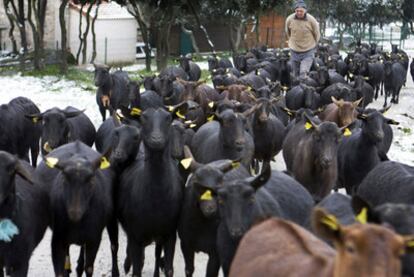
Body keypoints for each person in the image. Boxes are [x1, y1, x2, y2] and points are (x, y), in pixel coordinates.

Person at [285, 0, 321, 78]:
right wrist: (292, 42)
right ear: (295, 10)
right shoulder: (289, 19)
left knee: (303, 73)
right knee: (295, 74)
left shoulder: (311, 20)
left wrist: (313, 45)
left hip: (308, 51)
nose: (299, 13)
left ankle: (303, 87)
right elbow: (287, 32)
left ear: (305, 11)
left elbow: (317, 34)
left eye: (301, 11)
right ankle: (296, 89)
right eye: (297, 11)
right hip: (294, 51)